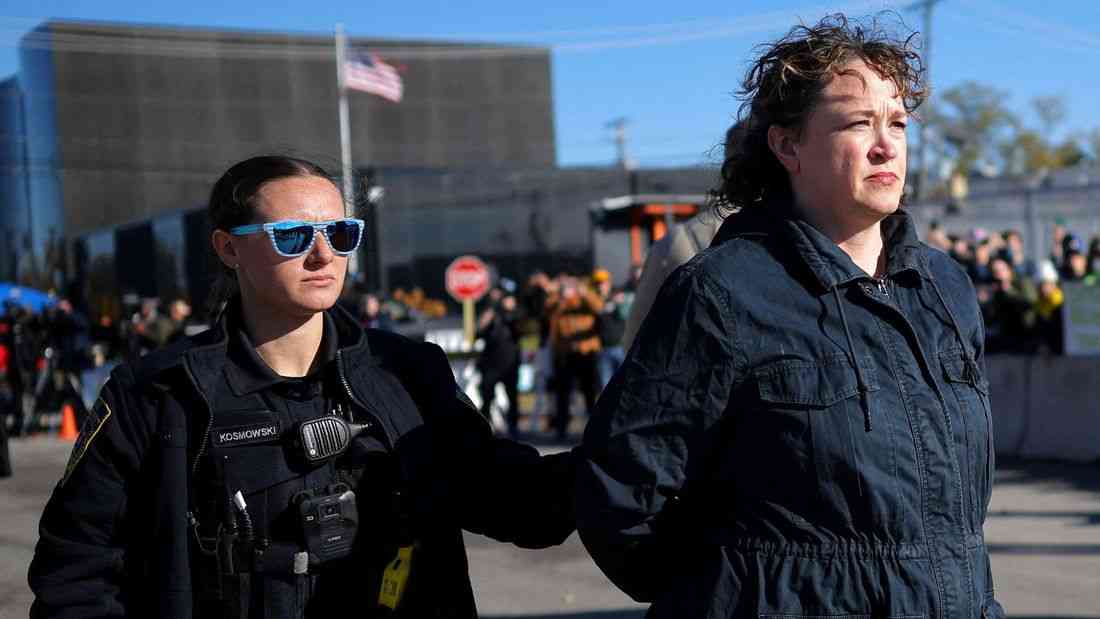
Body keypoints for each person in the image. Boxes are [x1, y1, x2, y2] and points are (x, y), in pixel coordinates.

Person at [576, 14, 1005, 618]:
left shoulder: (945, 287)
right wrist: (731, 594)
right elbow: (621, 489)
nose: (887, 145)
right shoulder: (722, 293)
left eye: (898, 123)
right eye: (859, 123)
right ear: (787, 145)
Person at [28, 155, 575, 618]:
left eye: (340, 233)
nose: (322, 255)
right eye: (291, 236)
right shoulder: (159, 393)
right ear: (228, 248)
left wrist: (623, 454)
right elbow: (77, 568)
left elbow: (513, 499)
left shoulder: (409, 372)